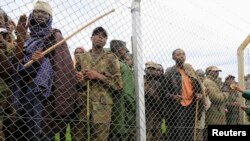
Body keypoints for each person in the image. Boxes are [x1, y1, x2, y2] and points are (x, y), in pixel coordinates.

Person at [12, 1, 77, 140]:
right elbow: (17, 63)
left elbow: (61, 65)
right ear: (32, 15)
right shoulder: (27, 37)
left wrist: (42, 61)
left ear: (50, 17)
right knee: (24, 127)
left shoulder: (55, 36)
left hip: (44, 91)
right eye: (37, 12)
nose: (40, 15)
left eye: (44, 13)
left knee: (41, 129)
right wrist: (22, 42)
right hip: (23, 85)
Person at [73, 27, 122, 141]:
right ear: (91, 38)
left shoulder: (111, 58)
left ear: (105, 41)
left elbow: (118, 85)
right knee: (78, 137)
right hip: (83, 105)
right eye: (97, 34)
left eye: (103, 36)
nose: (100, 37)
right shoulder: (81, 58)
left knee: (100, 138)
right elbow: (76, 81)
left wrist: (98, 76)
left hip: (102, 107)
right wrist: (80, 79)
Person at [163, 48, 203, 141]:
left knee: (190, 131)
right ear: (173, 57)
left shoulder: (189, 71)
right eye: (178, 54)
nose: (182, 56)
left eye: (183, 54)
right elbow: (163, 91)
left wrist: (198, 94)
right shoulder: (170, 72)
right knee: (179, 132)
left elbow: (196, 86)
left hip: (191, 105)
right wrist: (173, 96)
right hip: (178, 106)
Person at [108, 39, 136, 141]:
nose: (126, 53)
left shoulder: (107, 63)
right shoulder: (123, 67)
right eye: (125, 50)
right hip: (123, 111)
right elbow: (127, 94)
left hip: (107, 110)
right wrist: (134, 107)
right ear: (120, 50)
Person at [144, 61, 165, 141]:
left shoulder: (159, 84)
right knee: (147, 133)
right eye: (149, 68)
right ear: (145, 70)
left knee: (157, 134)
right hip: (145, 112)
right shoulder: (140, 81)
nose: (151, 70)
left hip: (156, 112)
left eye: (153, 69)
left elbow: (162, 100)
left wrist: (155, 96)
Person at [195, 69, 211, 141]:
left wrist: (205, 95)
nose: (201, 77)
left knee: (200, 129)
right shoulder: (193, 84)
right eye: (199, 75)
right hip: (194, 112)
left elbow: (207, 103)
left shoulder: (204, 86)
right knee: (196, 130)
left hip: (202, 111)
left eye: (203, 75)